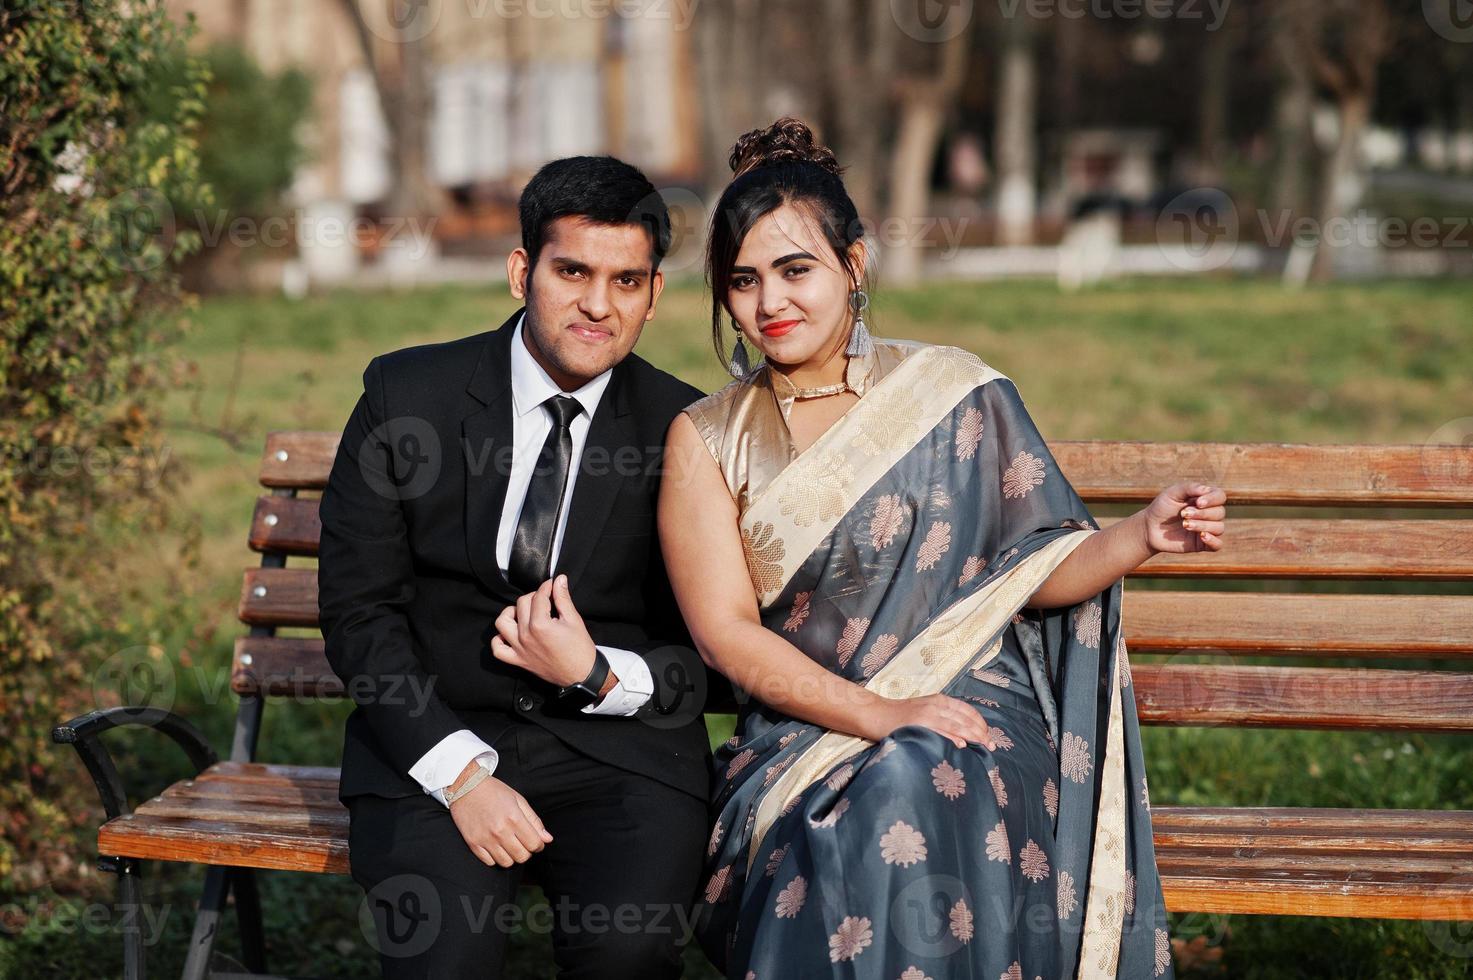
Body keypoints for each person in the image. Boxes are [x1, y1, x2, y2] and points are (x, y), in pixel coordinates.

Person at [659, 118, 1228, 979]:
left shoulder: (952, 390)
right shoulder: (706, 439)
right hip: (802, 732)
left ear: (853, 266)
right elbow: (725, 637)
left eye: (795, 269)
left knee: (920, 771)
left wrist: (1138, 535)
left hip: (976, 714)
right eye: (743, 280)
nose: (770, 302)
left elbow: (1031, 573)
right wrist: (876, 714)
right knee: (885, 782)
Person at [319, 155, 715, 978]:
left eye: (627, 281)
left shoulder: (687, 428)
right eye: (572, 271)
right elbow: (360, 611)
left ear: (653, 294)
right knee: (443, 955)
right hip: (433, 737)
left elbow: (717, 654)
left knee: (628, 949)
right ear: (520, 271)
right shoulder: (406, 396)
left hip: (622, 754)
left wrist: (601, 675)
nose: (598, 305)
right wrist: (460, 777)